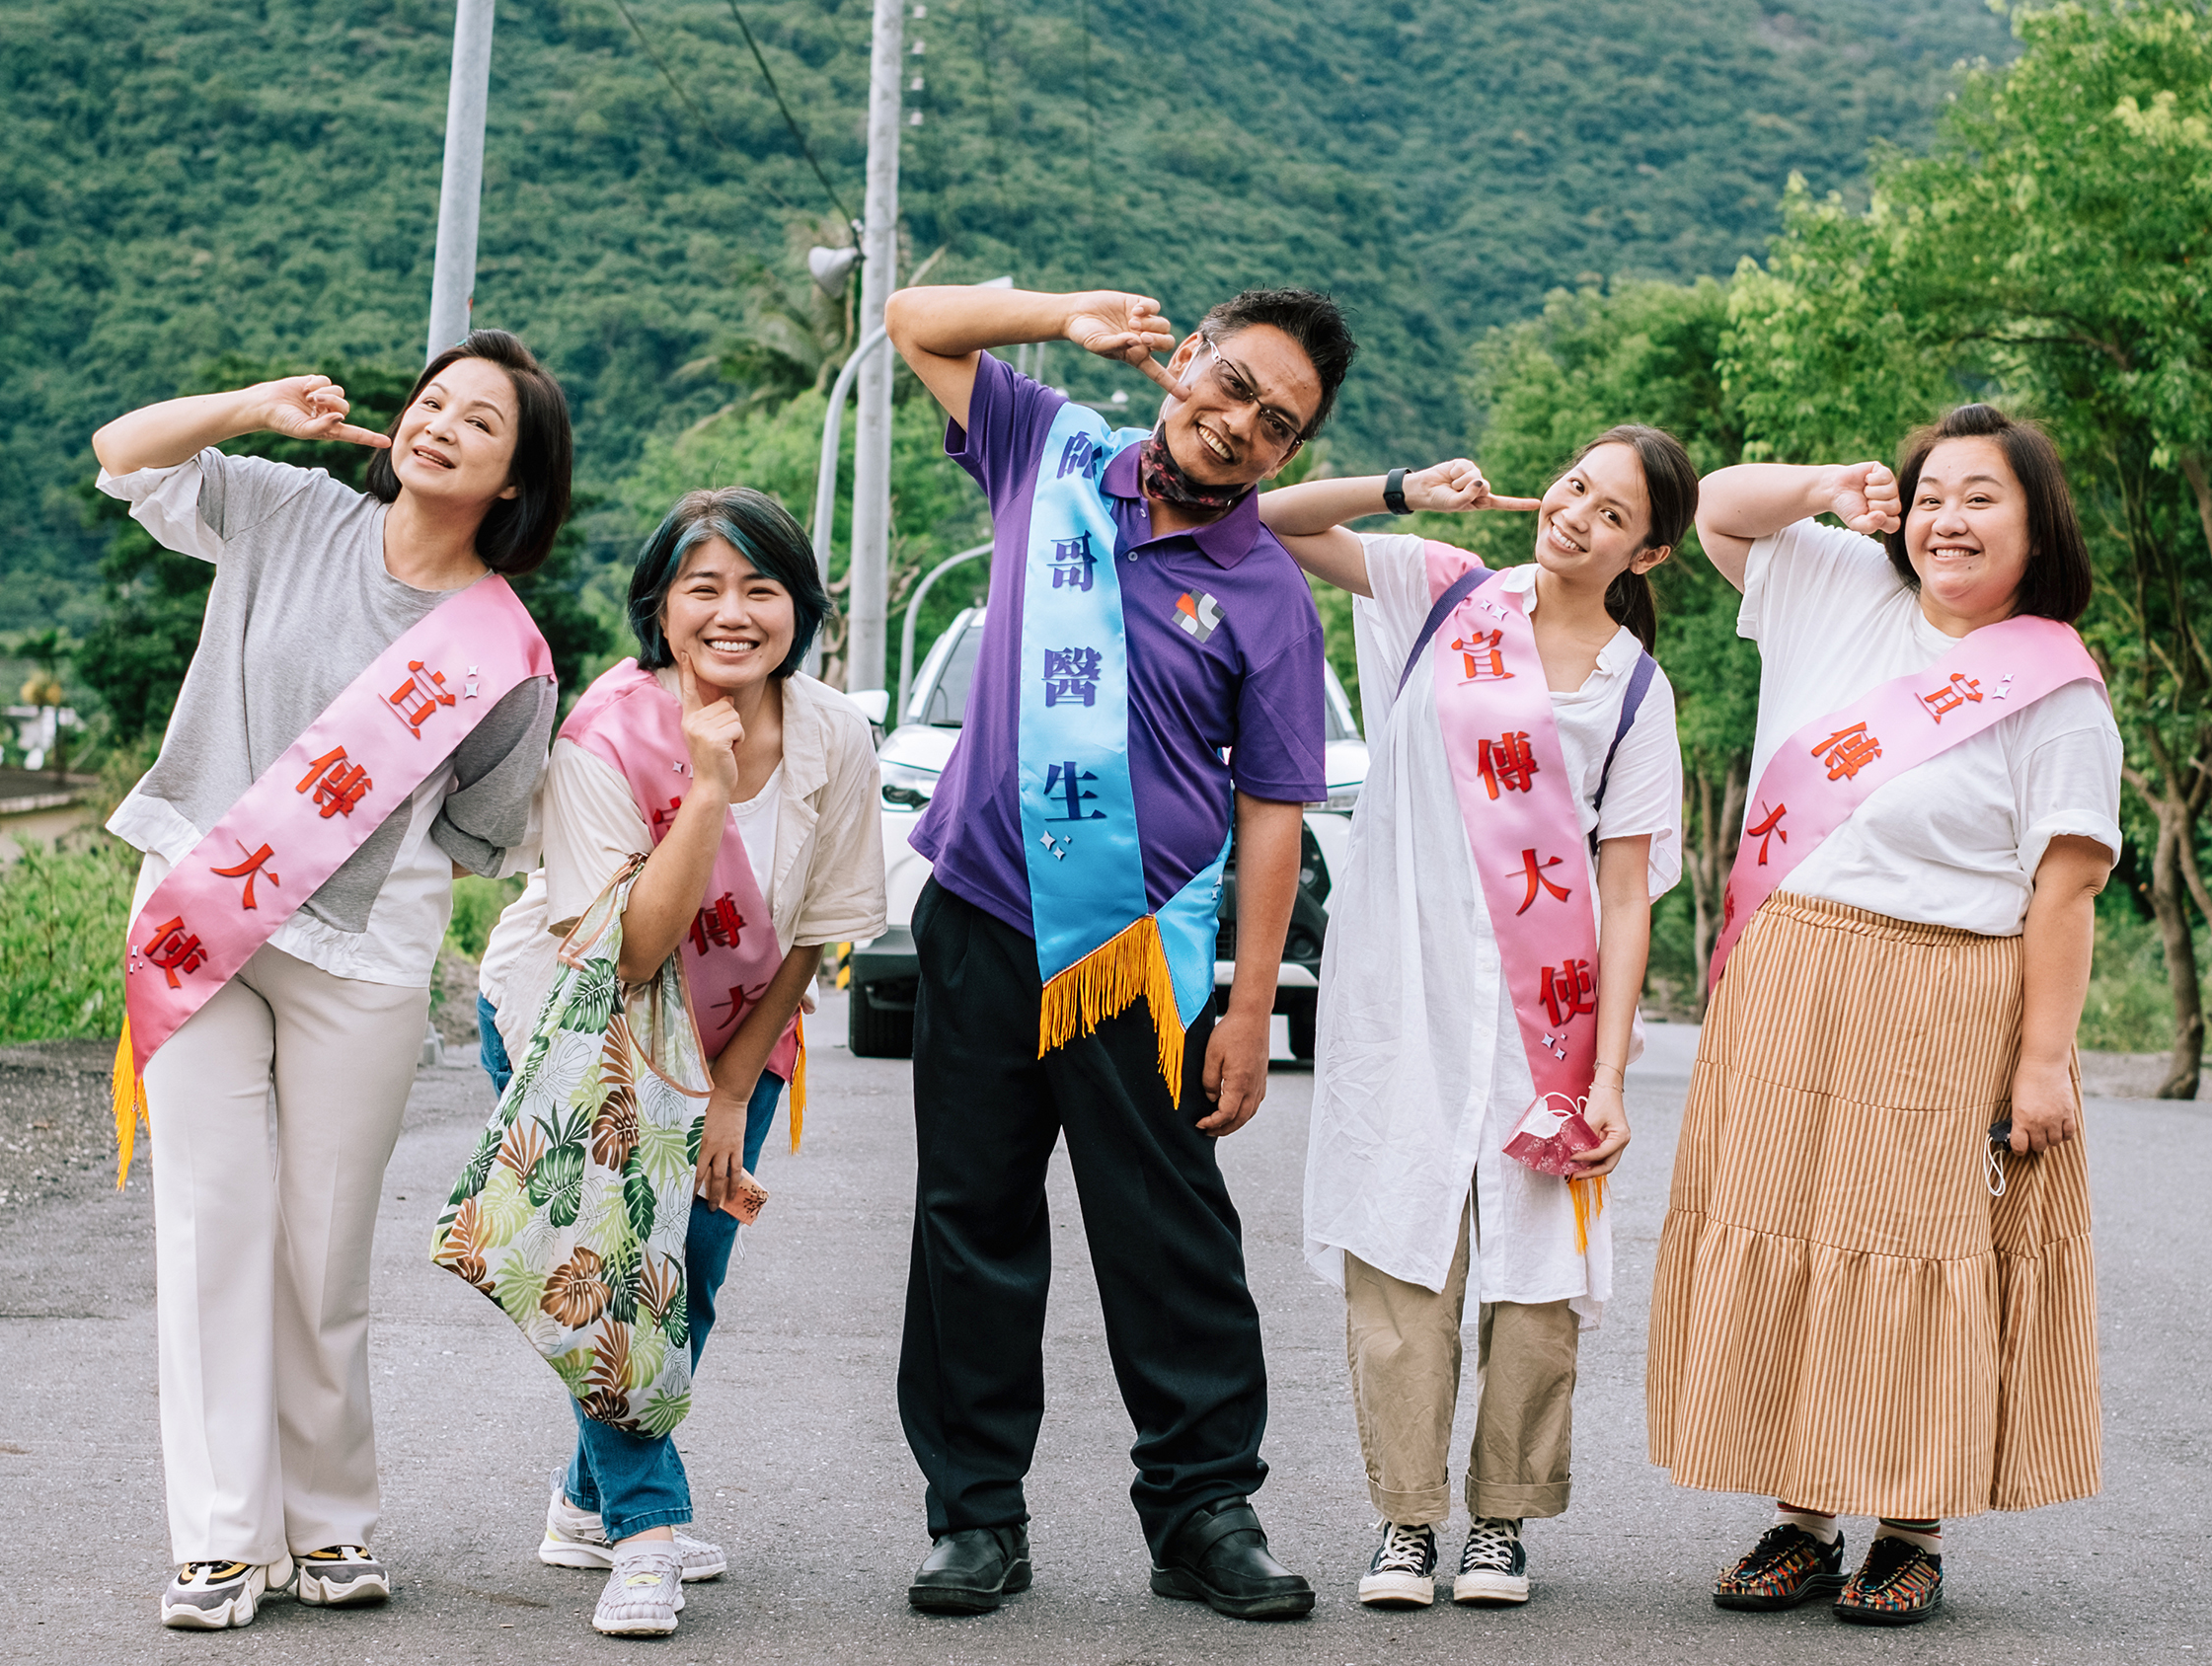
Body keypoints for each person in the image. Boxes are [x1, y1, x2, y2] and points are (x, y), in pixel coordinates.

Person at [881, 282, 1351, 1622]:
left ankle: (1203, 1509)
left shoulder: (1265, 590)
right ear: (1186, 361)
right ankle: (975, 1516)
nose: (1242, 421)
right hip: (981, 914)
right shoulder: (1051, 449)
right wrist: (1053, 316)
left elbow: (1274, 815)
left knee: (1170, 1233)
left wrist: (1251, 1008)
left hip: (1139, 953)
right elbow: (918, 321)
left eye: (1278, 421)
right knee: (970, 1220)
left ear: (1288, 455)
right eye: (1235, 382)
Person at [90, 332, 569, 1630]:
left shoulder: (509, 656)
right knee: (210, 1226)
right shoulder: (280, 506)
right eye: (433, 403)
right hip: (202, 910)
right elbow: (121, 453)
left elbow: (483, 831)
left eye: (481, 423)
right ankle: (219, 1543)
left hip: (361, 960)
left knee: (321, 1249)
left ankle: (332, 1524)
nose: (441, 426)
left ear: (515, 481)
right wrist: (256, 406)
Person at [1647, 404, 2118, 1627]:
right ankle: (1803, 1514)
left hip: (1945, 988)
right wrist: (1834, 481)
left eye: (1981, 497)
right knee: (1788, 1230)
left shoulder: (2052, 687)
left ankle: (1912, 1521)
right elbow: (1719, 503)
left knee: (1913, 1253)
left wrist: (2045, 1062)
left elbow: (2062, 892)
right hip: (1792, 969)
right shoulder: (1842, 581)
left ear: (2035, 523)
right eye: (1930, 495)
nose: (1947, 519)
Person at [1262, 431, 1694, 1609]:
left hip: (1542, 1017)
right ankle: (1406, 1519)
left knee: (1537, 1270)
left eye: (1611, 515)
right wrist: (1405, 489)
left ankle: (1501, 1520)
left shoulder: (1636, 691)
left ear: (1647, 550)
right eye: (1572, 486)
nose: (1574, 515)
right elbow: (1276, 518)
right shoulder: (1442, 590)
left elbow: (1619, 891)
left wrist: (1605, 1076)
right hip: (1404, 994)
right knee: (1402, 1247)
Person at [471, 487, 883, 1637]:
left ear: (802, 609)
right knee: (617, 1274)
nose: (733, 613)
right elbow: (636, 948)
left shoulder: (834, 732)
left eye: (762, 588)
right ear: (661, 606)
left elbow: (815, 929)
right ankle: (645, 1531)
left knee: (689, 1275)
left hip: (735, 1037)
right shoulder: (604, 736)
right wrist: (705, 785)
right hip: (579, 1026)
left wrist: (735, 1090)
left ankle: (578, 1499)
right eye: (703, 587)